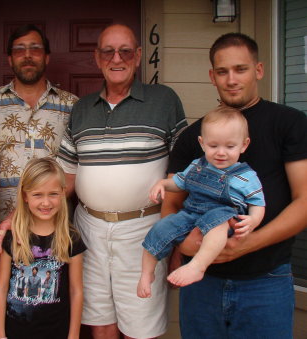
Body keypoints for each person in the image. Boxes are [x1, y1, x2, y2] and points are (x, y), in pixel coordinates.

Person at [165, 33, 307, 338]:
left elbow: (304, 200)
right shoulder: (194, 137)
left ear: (258, 70)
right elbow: (170, 204)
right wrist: (182, 243)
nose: (231, 79)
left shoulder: (288, 124)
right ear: (211, 76)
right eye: (222, 71)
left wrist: (248, 243)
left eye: (240, 69)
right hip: (202, 282)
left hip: (265, 280)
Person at [57, 24, 187, 339]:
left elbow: (180, 176)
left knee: (141, 327)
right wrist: (23, 217)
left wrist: (172, 239)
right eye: (108, 51)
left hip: (144, 231)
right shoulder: (82, 109)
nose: (118, 58)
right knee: (99, 321)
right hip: (89, 229)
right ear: (97, 58)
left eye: (126, 51)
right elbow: (67, 178)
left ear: (138, 56)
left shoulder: (164, 100)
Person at [0, 24, 78, 257]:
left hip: (53, 231)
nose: (27, 55)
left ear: (47, 57)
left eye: (35, 48)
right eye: (19, 49)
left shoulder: (72, 107)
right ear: (10, 59)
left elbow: (78, 169)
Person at [137, 107, 265, 296]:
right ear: (202, 143)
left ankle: (197, 266)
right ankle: (146, 274)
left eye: (230, 147)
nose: (221, 153)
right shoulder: (197, 166)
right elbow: (179, 183)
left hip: (223, 214)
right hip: (191, 213)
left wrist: (253, 220)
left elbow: (258, 203)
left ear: (244, 145)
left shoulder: (246, 176)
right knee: (161, 227)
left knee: (218, 223)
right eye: (213, 146)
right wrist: (163, 184)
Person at [0, 157, 86, 339]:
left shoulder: (70, 238)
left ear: (63, 193)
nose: (46, 203)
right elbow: (1, 288)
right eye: (38, 195)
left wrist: (74, 335)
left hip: (56, 331)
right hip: (15, 332)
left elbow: (76, 291)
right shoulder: (14, 237)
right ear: (25, 196)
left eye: (53, 194)